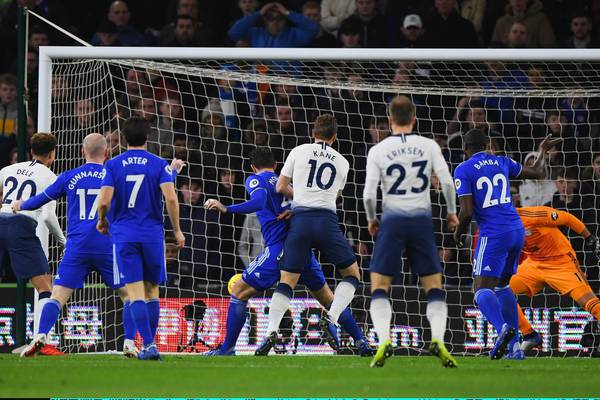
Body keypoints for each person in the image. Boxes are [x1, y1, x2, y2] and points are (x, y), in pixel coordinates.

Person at [203, 147, 372, 356]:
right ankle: (361, 341)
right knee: (329, 299)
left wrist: (226, 208)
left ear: (252, 167)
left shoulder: (255, 180)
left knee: (238, 291)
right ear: (276, 166)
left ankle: (228, 348)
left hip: (278, 249)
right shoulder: (290, 185)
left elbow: (258, 201)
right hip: (301, 248)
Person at [15, 134, 137, 358]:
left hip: (77, 246)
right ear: (107, 153)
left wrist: (20, 204)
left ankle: (40, 335)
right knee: (129, 295)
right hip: (107, 244)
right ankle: (129, 342)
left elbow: (40, 200)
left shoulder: (70, 176)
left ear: (83, 152)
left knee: (57, 297)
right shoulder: (116, 176)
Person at [363, 95, 458, 368]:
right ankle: (438, 339)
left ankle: (383, 340)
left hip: (392, 220)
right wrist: (451, 212)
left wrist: (372, 219)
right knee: (433, 286)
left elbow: (369, 195)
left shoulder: (378, 150)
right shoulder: (428, 145)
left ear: (390, 119)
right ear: (414, 119)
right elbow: (448, 183)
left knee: (380, 286)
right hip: (421, 221)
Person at [254, 114, 362, 356]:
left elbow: (280, 187)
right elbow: (334, 197)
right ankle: (331, 318)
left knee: (287, 280)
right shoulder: (343, 162)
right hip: (326, 222)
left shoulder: (299, 150)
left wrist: (300, 197)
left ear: (313, 132)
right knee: (352, 273)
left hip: (300, 221)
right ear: (334, 137)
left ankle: (270, 331)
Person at [453, 128, 558, 360]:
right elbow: (538, 173)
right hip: (516, 231)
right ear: (487, 144)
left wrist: (458, 232)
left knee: (481, 290)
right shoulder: (501, 161)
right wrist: (541, 150)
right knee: (502, 286)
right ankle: (515, 350)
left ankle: (504, 330)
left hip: (493, 233)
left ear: (465, 149)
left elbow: (467, 211)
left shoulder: (463, 169)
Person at [96, 117, 185, 360]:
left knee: (134, 293)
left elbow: (103, 201)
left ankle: (147, 344)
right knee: (152, 291)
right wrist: (176, 230)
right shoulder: (158, 164)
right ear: (148, 137)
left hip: (124, 235)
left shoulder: (113, 165)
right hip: (152, 236)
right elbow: (171, 198)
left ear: (124, 138)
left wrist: (102, 220)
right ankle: (150, 345)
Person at [0, 132, 66, 353]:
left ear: (30, 150)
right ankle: (41, 341)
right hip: (21, 227)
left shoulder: (8, 169)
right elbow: (47, 216)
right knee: (45, 285)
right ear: (52, 154)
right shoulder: (50, 176)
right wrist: (63, 240)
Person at [510, 206, 600, 350]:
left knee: (589, 303)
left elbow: (566, 217)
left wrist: (590, 238)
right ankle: (529, 334)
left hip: (562, 263)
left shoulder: (533, 215)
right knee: (498, 290)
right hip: (534, 264)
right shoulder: (497, 226)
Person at [228, 2, 319, 48]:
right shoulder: (256, 33)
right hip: (262, 80)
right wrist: (259, 13)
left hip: (288, 81)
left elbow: (313, 28)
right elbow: (234, 33)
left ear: (285, 20)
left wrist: (288, 13)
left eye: (279, 19)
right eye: (270, 19)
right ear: (264, 20)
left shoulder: (294, 34)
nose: (274, 23)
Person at [491, 0, 555, 48]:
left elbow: (548, 46)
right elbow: (494, 47)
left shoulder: (540, 19)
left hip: (532, 62)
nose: (517, 1)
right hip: (506, 62)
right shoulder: (502, 22)